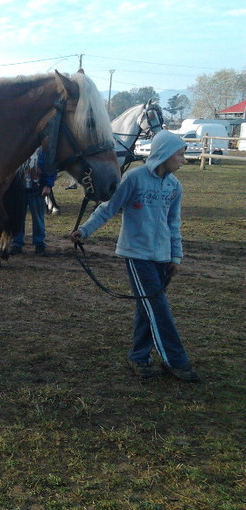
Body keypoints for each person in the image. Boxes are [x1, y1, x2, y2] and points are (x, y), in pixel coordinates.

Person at [71, 130, 199, 382]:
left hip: (162, 256)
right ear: (164, 154)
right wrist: (85, 230)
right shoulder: (134, 177)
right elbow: (109, 207)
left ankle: (139, 356)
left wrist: (176, 257)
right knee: (158, 308)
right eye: (180, 154)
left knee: (147, 307)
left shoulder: (174, 186)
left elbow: (174, 222)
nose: (184, 159)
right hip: (137, 254)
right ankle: (176, 360)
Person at [9, 147, 55, 256]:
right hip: (19, 190)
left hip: (37, 189)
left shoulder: (43, 149)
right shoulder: (19, 146)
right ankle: (17, 243)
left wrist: (48, 184)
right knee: (18, 217)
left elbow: (50, 165)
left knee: (38, 218)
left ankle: (39, 243)